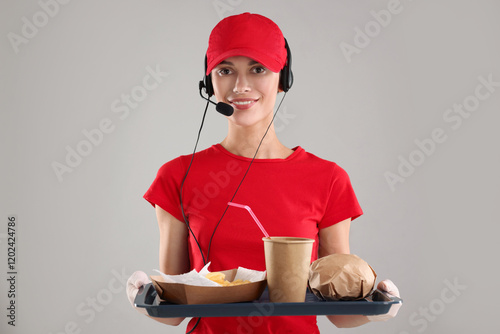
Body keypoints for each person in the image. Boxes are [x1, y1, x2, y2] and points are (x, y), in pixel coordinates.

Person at [127, 12, 401, 333]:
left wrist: (380, 309)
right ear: (208, 83)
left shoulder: (328, 179)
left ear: (283, 80)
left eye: (258, 69)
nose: (241, 86)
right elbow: (173, 312)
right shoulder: (176, 176)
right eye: (225, 70)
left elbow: (339, 312)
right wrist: (143, 298)